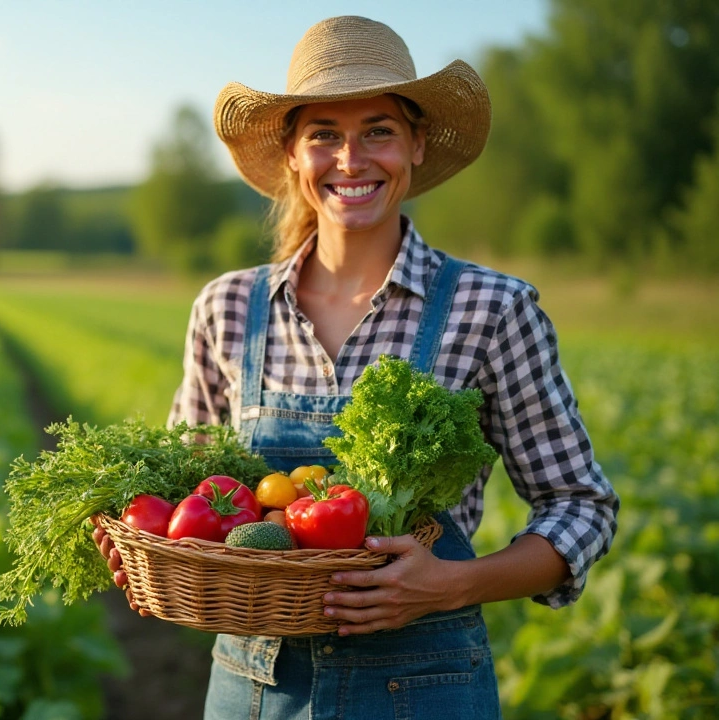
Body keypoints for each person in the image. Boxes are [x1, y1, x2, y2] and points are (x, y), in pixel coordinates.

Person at [92, 15, 619, 718]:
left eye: (378, 130)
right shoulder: (228, 308)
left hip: (425, 687)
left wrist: (453, 584)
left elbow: (581, 507)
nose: (351, 159)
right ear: (292, 154)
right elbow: (185, 489)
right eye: (324, 135)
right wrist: (147, 551)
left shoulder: (492, 308)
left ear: (417, 144)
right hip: (253, 691)